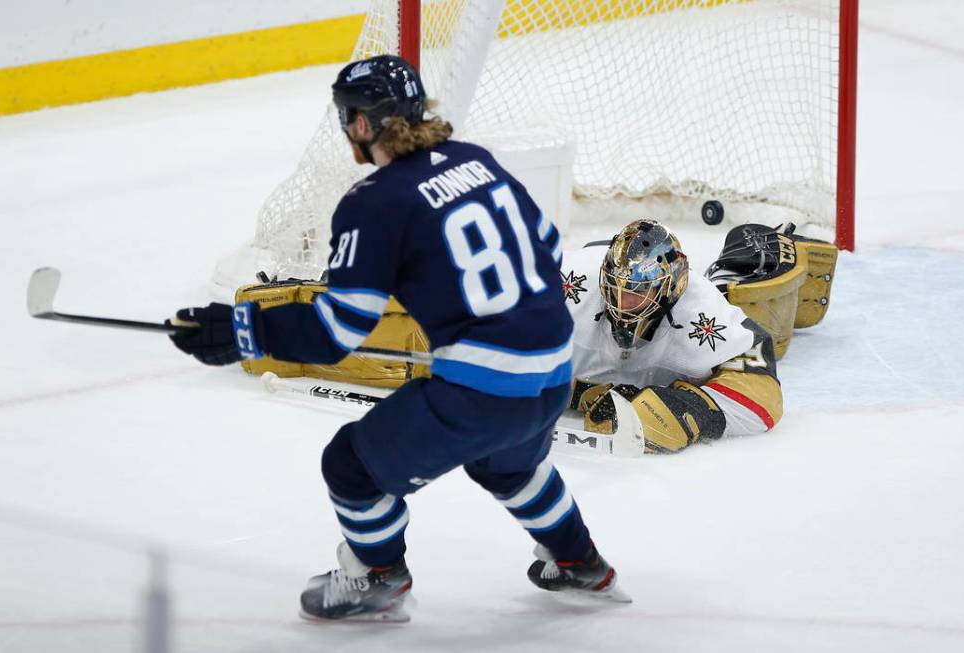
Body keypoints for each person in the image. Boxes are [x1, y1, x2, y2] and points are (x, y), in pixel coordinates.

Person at [167, 55, 628, 621]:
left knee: (351, 465)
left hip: (485, 390)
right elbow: (547, 246)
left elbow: (337, 331)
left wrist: (244, 329)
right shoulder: (473, 160)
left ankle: (377, 580)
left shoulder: (373, 203)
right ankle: (581, 562)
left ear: (361, 125)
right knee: (509, 466)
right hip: (555, 367)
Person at [560, 220, 784, 453]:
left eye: (638, 291)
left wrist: (685, 409)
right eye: (614, 287)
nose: (622, 303)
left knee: (750, 303)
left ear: (668, 289)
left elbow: (764, 396)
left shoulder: (702, 310)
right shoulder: (570, 277)